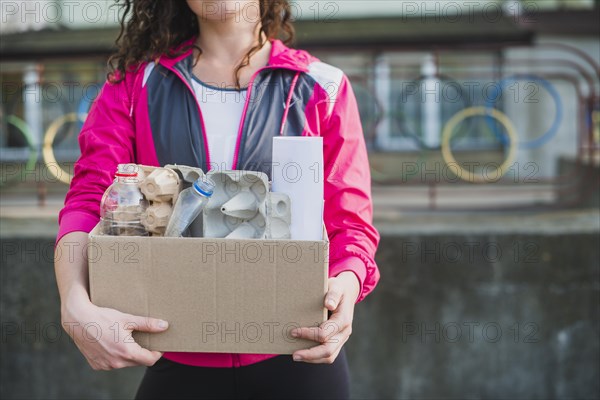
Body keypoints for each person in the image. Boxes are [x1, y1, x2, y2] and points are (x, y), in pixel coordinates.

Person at [54, 0, 380, 398]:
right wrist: (72, 302)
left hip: (299, 352)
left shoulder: (321, 85)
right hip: (173, 352)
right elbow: (90, 200)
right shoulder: (135, 85)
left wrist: (346, 286)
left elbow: (351, 225)